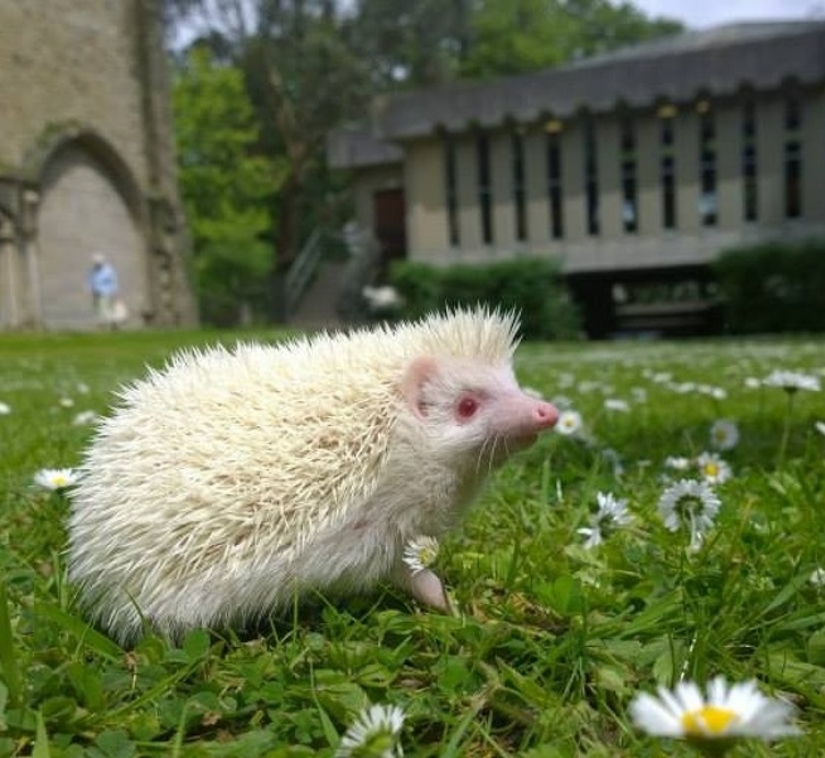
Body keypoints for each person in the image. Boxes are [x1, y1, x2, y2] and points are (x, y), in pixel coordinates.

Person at [87, 253, 122, 329]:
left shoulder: (108, 270)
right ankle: (109, 323)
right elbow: (91, 279)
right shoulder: (94, 270)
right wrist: (90, 288)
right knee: (99, 308)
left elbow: (113, 280)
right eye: (95, 262)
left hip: (105, 292)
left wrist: (114, 290)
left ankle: (109, 323)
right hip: (96, 292)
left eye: (98, 262)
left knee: (104, 308)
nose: (97, 264)